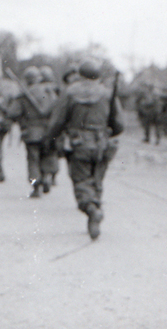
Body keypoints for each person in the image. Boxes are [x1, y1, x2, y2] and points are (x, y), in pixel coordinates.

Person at [43, 59, 124, 240]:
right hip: (102, 143)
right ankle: (95, 211)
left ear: (80, 74)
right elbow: (119, 125)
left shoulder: (70, 92)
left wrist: (51, 138)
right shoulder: (108, 93)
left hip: (78, 144)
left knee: (81, 181)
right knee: (97, 180)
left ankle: (91, 209)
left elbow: (57, 121)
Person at [9, 66, 58, 198]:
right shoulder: (50, 92)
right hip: (48, 131)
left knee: (33, 159)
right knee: (47, 156)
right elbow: (57, 109)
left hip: (31, 132)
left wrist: (22, 119)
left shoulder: (23, 95)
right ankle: (47, 176)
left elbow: (12, 113)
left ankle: (36, 187)